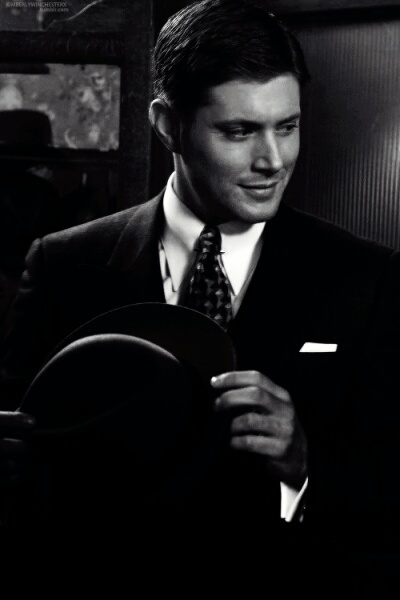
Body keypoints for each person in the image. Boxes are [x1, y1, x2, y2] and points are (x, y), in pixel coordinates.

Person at [0, 0, 400, 562]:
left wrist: (304, 463)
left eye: (287, 127)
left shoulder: (368, 279)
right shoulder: (61, 267)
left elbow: (392, 486)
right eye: (239, 131)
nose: (273, 160)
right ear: (169, 126)